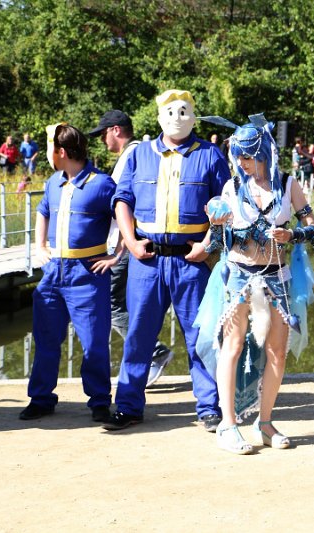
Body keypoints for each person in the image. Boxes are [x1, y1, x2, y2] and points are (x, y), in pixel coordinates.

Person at [104, 89, 230, 431]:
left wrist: (208, 245)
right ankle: (128, 406)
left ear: (193, 115)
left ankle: (209, 406)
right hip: (146, 261)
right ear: (159, 116)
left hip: (191, 261)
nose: (177, 117)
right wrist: (130, 241)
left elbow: (226, 204)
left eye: (184, 111)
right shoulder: (139, 155)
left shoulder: (210, 155)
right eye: (171, 111)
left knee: (201, 334)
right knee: (138, 335)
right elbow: (122, 200)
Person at [196, 115, 314, 454]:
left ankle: (265, 423)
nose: (242, 163)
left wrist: (292, 234)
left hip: (277, 276)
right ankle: (227, 424)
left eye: (247, 156)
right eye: (238, 157)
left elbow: (313, 227)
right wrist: (216, 224)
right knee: (232, 346)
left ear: (264, 153)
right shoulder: (232, 188)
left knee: (277, 351)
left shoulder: (288, 184)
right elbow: (218, 242)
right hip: (238, 275)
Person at [19, 123, 119, 422]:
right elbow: (42, 211)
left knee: (94, 343)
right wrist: (39, 247)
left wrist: (116, 255)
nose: (47, 154)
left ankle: (99, 401)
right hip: (53, 274)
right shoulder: (54, 182)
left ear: (61, 151)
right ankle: (41, 399)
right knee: (46, 339)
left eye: (50, 148)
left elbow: (126, 216)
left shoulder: (102, 184)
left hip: (87, 274)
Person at [88, 109, 174, 388]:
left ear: (115, 130)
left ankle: (154, 352)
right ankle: (145, 357)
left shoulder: (133, 154)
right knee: (130, 304)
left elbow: (128, 202)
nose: (102, 141)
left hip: (126, 243)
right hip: (128, 241)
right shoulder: (139, 152)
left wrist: (122, 247)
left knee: (112, 304)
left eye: (103, 134)